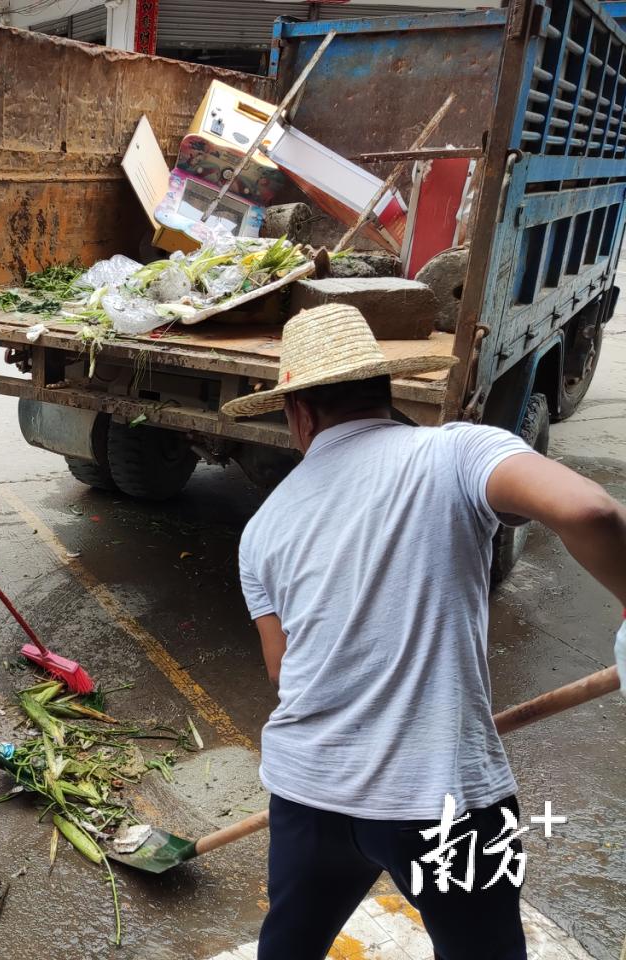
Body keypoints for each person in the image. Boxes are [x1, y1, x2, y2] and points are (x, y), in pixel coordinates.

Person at [222, 304, 626, 960]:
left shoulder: (263, 529)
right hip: (440, 797)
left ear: (298, 415)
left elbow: (282, 671)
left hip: (309, 793)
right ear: (385, 391)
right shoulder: (456, 451)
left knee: (288, 951)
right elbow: (589, 510)